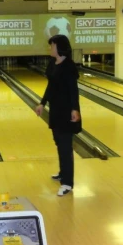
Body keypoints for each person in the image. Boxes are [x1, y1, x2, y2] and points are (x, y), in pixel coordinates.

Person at [34, 35, 81, 196]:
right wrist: (42, 103)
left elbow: (74, 90)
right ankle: (63, 172)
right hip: (55, 110)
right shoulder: (53, 64)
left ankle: (67, 183)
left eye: (52, 46)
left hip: (67, 111)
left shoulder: (69, 66)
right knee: (59, 143)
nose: (50, 48)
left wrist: (75, 109)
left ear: (59, 47)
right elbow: (51, 87)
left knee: (65, 146)